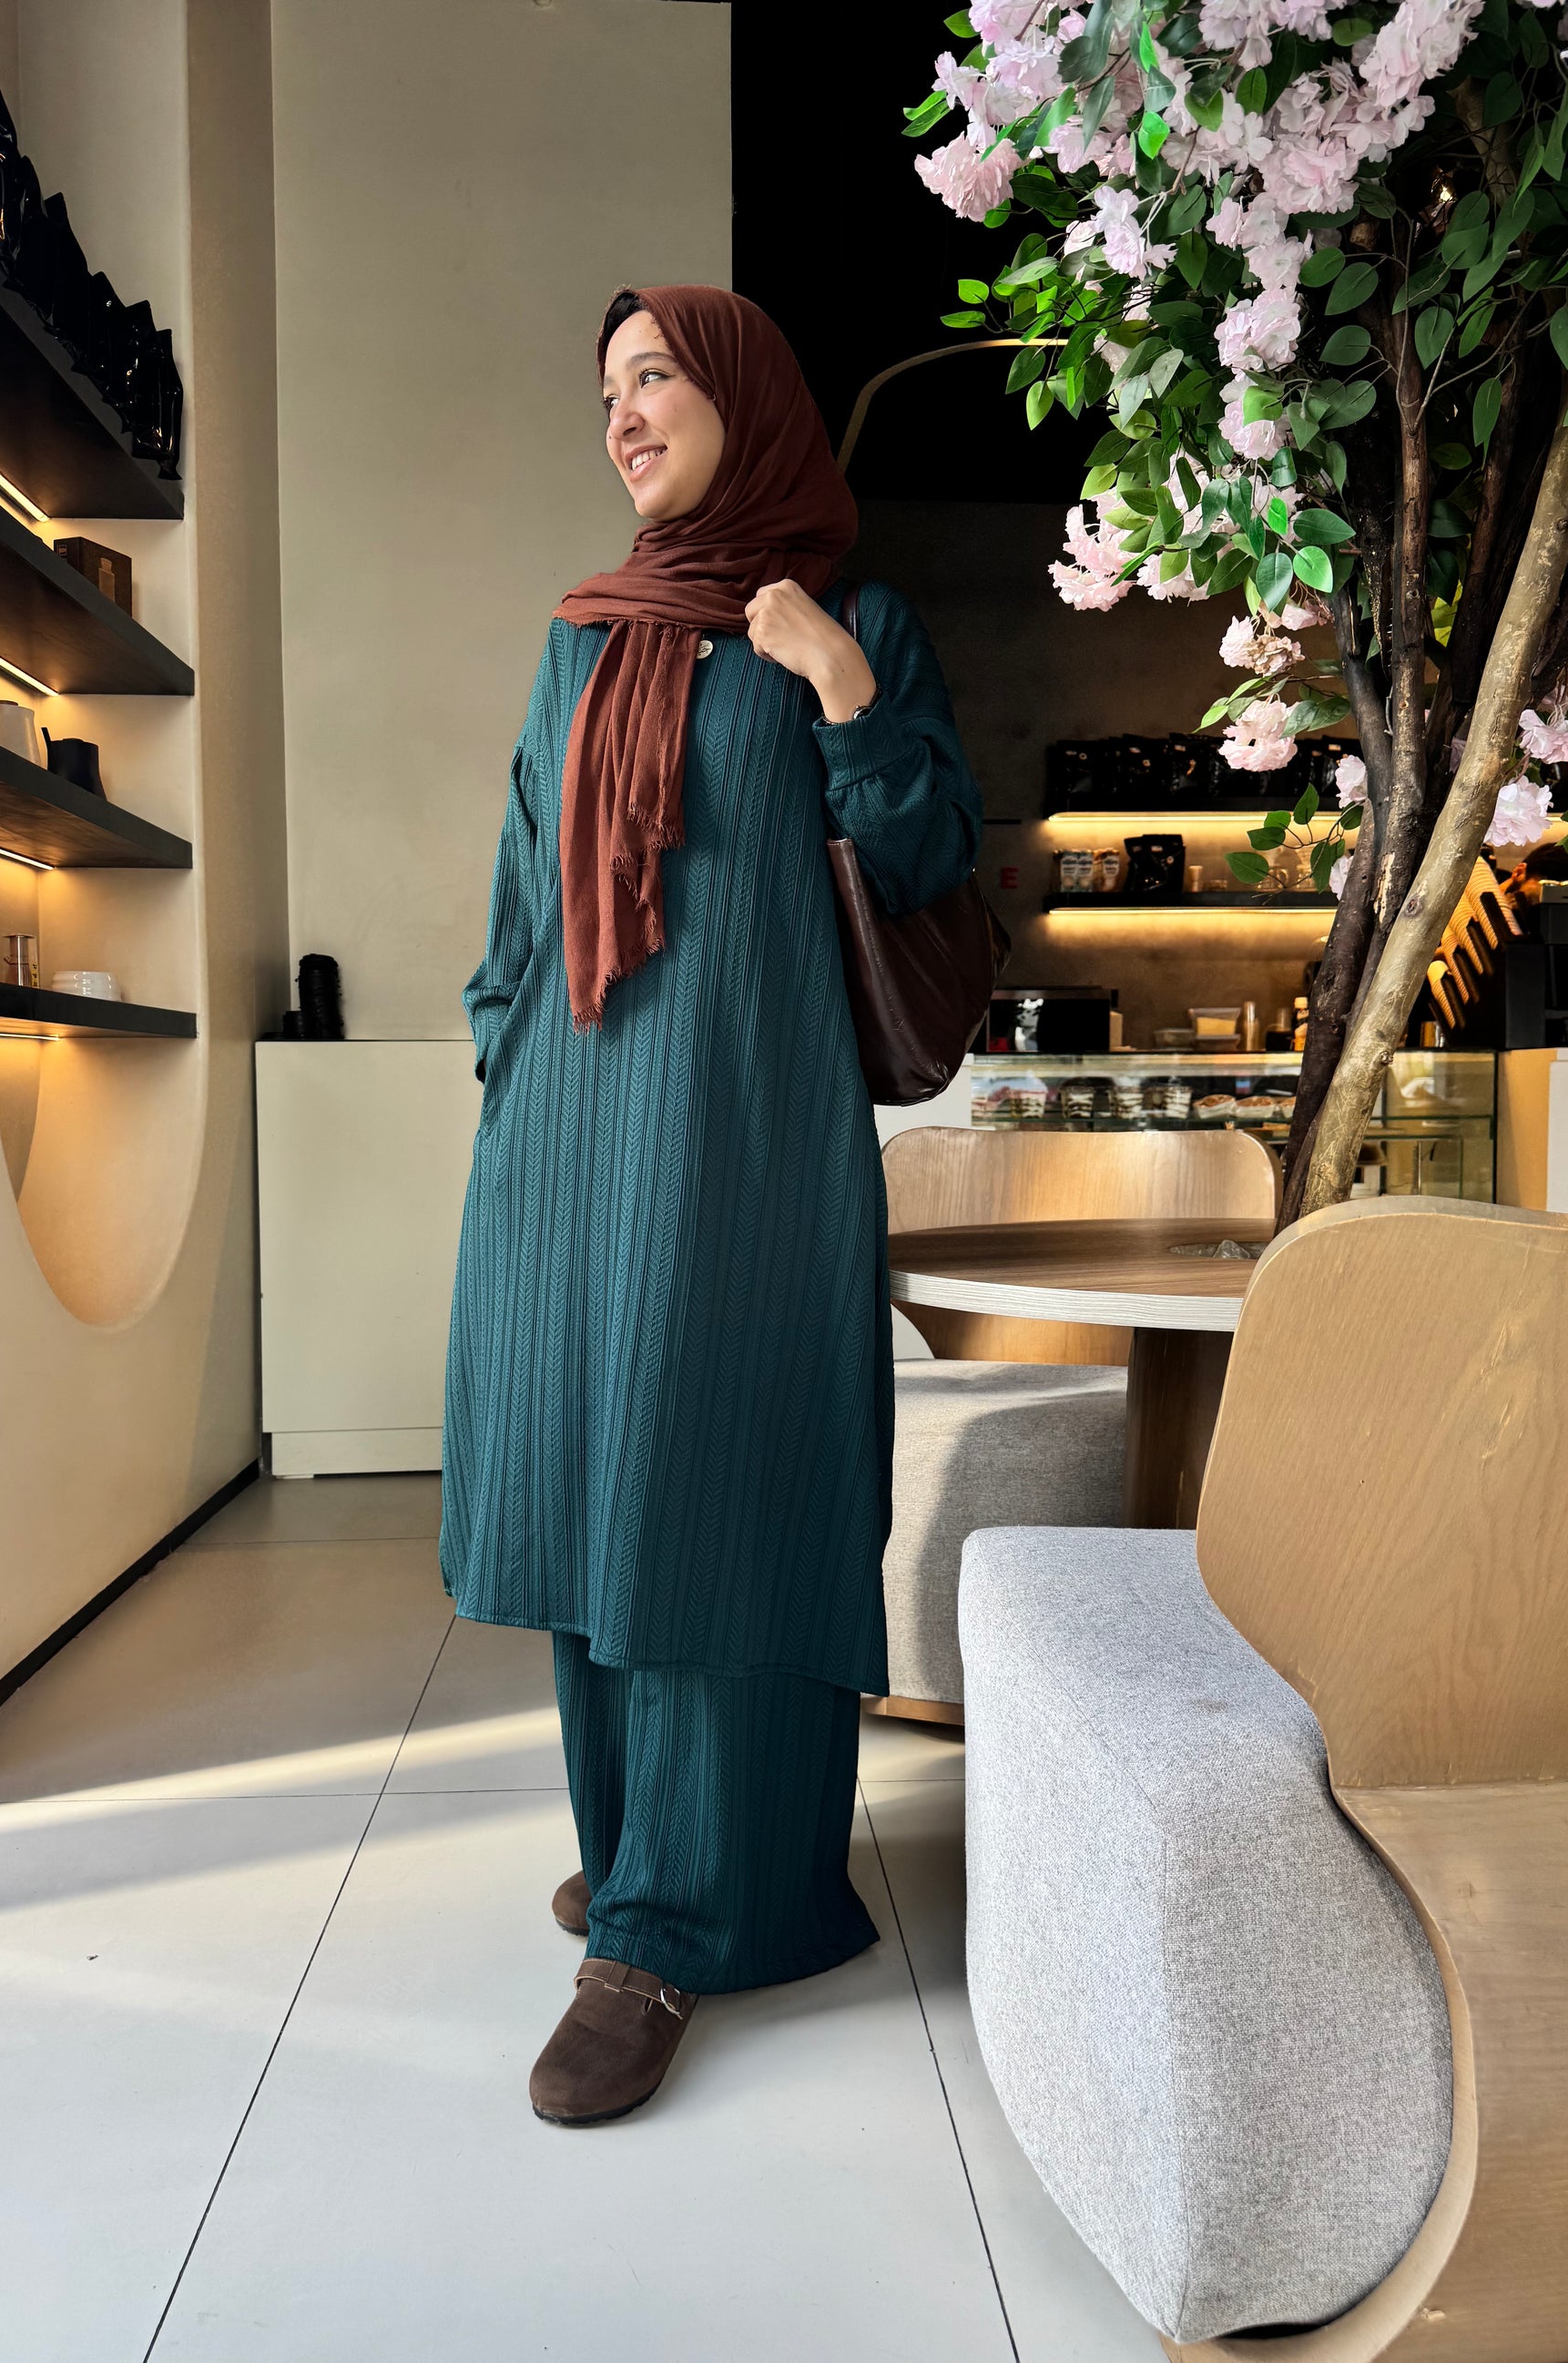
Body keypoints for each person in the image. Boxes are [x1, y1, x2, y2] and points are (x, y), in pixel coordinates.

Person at [440, 282, 982, 2127]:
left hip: (742, 1135)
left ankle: (667, 1929)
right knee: (592, 1481)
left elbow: (923, 859)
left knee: (711, 1484)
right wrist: (502, 1056)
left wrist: (835, 685)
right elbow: (525, 880)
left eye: (655, 374)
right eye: (606, 387)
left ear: (747, 399)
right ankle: (648, 1852)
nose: (622, 412)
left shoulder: (853, 621)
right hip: (566, 1132)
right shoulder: (583, 638)